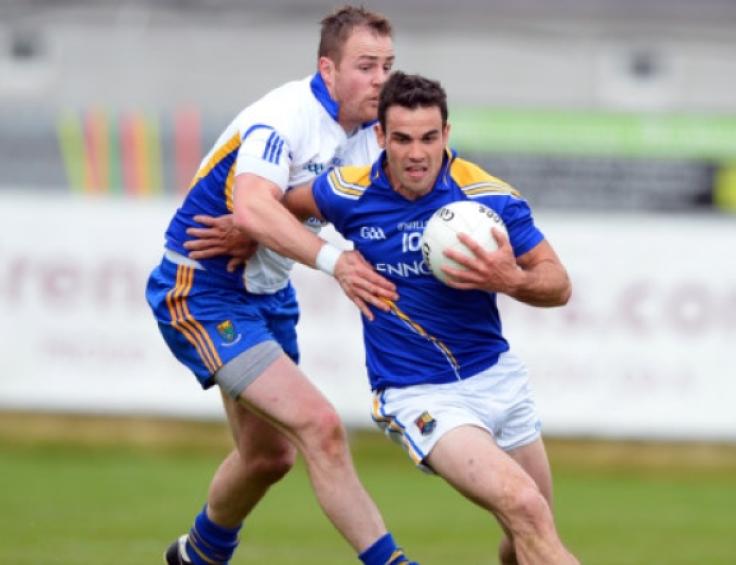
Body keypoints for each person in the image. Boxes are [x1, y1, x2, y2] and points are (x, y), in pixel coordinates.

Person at [146, 7, 420, 565]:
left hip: (267, 294)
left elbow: (375, 213)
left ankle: (198, 556)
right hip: (201, 290)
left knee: (268, 457)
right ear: (328, 68)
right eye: (366, 66)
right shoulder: (285, 115)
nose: (380, 79)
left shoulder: (372, 134)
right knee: (321, 427)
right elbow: (250, 205)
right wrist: (333, 261)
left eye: (387, 65)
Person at [278, 71, 580, 564]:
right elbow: (277, 207)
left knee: (525, 532)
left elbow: (558, 283)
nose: (416, 153)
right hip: (420, 392)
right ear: (380, 137)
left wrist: (510, 279)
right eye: (401, 139)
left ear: (446, 135)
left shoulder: (487, 197)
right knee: (524, 506)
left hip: (498, 379)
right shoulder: (347, 192)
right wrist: (239, 226)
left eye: (428, 138)